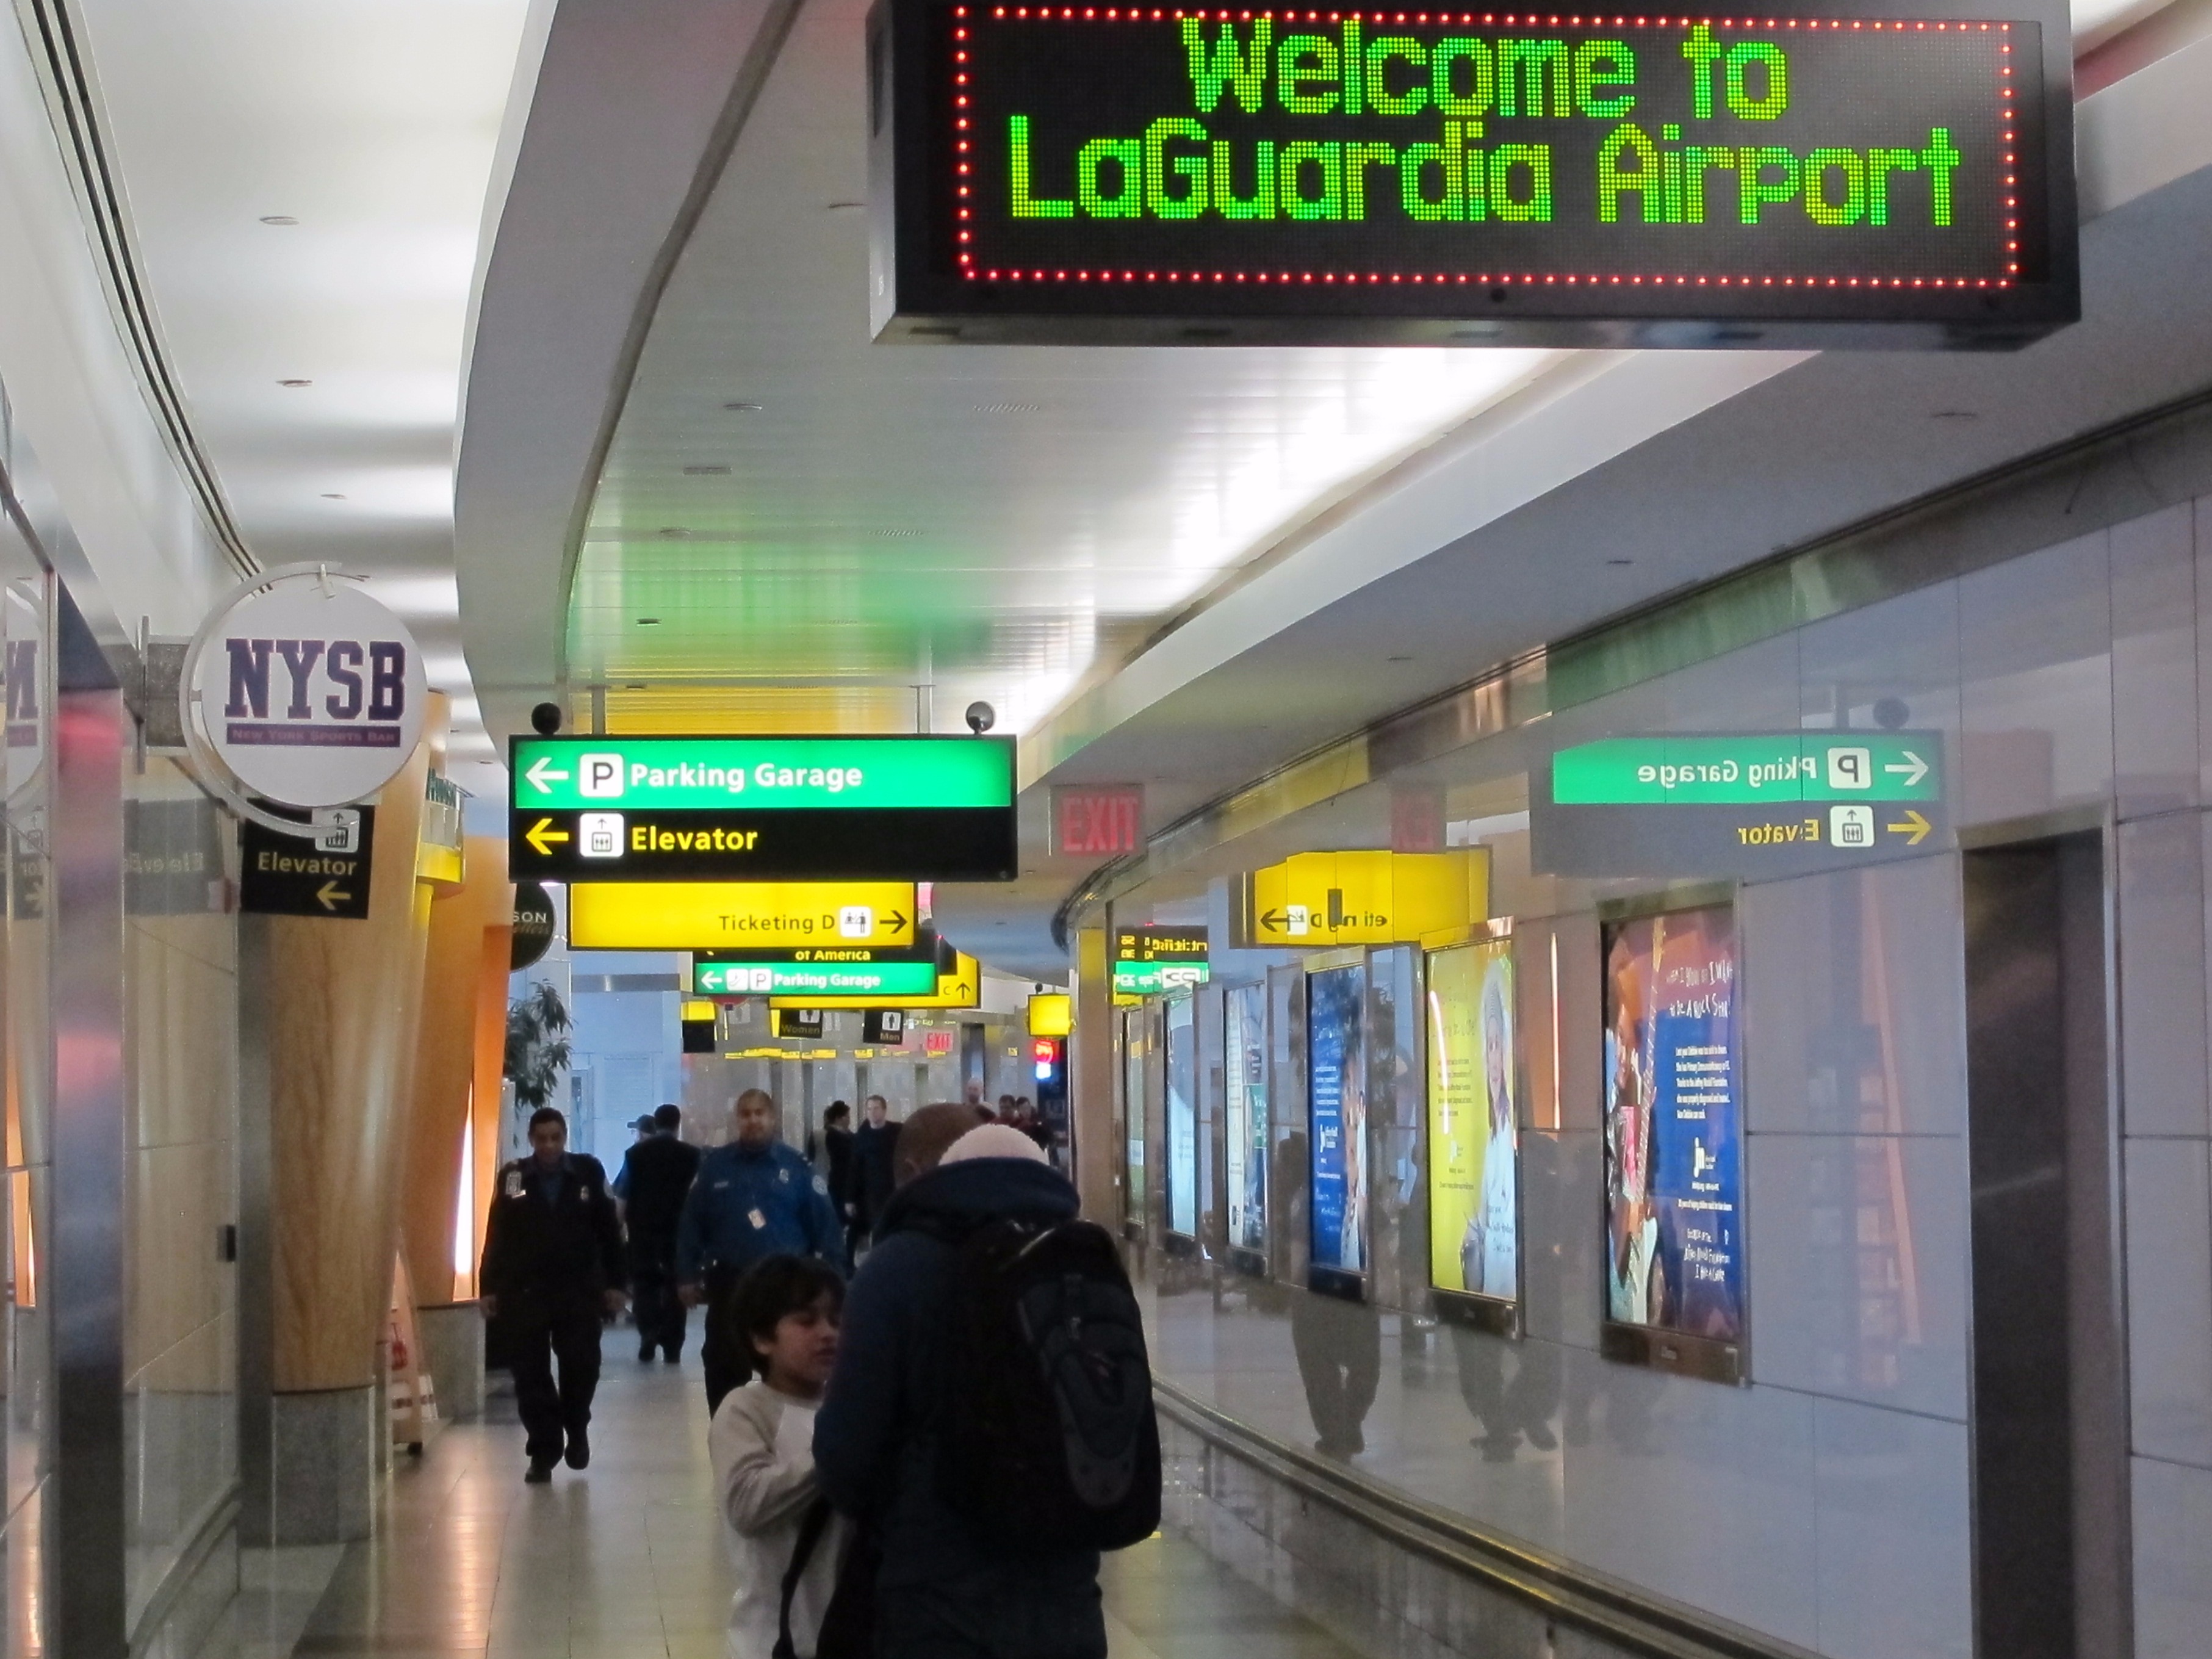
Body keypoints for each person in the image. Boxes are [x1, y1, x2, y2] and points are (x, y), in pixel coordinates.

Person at [815, 1112, 1108, 1659]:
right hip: (1067, 1594)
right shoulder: (1083, 1259)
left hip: (937, 1598)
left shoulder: (897, 1267)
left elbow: (844, 1455)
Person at [709, 1255, 848, 1659]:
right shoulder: (746, 1409)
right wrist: (837, 1446)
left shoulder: (847, 1406)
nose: (827, 1334)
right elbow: (748, 1505)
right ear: (761, 1338)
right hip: (774, 1639)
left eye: (836, 1320)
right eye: (806, 1321)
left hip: (846, 1632)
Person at [479, 1107, 627, 1483]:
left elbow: (610, 1232)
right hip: (525, 1290)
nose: (548, 1146)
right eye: (541, 1139)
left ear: (564, 1139)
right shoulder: (515, 1176)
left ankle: (576, 1427)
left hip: (577, 1290)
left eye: (555, 1138)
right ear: (531, 1140)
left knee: (582, 1365)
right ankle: (544, 1449)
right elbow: (498, 1233)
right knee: (530, 1375)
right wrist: (489, 1286)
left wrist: (615, 1285)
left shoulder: (588, 1173)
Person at [678, 1089, 846, 1416]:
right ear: (737, 1120)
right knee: (723, 1366)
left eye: (759, 1114)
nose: (753, 1120)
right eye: (746, 1114)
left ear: (772, 1118)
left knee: (790, 1366)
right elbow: (691, 1222)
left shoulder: (797, 1168)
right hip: (730, 1282)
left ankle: (791, 1438)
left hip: (786, 1287)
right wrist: (686, 1273)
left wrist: (835, 1284)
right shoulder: (715, 1167)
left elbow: (826, 1227)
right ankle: (728, 1434)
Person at [614, 1103, 702, 1363]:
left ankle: (648, 1334)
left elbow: (623, 1193)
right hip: (678, 1232)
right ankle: (673, 1345)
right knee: (677, 1286)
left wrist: (617, 1229)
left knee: (645, 1285)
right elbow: (698, 1196)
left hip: (644, 1232)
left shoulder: (635, 1155)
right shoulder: (692, 1155)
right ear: (677, 1125)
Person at [847, 1095, 901, 1253]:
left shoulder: (896, 1132)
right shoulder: (861, 1137)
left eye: (876, 1108)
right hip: (871, 1192)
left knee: (894, 1228)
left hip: (893, 1188)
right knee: (877, 1230)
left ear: (884, 1111)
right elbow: (854, 1169)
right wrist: (850, 1198)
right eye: (869, 1109)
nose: (872, 1112)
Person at [821, 1101, 856, 1235]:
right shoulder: (832, 1135)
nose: (849, 1120)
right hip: (839, 1180)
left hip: (849, 1180)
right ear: (839, 1118)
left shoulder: (850, 1135)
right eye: (846, 1117)